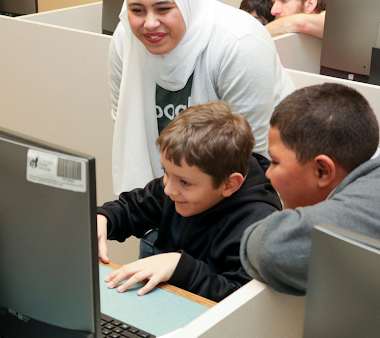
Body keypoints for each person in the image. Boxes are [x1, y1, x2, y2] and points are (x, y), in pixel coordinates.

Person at [109, 0, 294, 195]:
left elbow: (251, 160)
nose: (149, 23)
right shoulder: (126, 39)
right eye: (137, 10)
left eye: (164, 9)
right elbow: (124, 121)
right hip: (166, 194)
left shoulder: (240, 45)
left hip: (238, 196)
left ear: (189, 2)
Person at [97, 101, 282, 302]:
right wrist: (105, 217)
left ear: (229, 185)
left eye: (184, 182)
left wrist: (181, 267)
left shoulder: (258, 226)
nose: (168, 189)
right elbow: (134, 208)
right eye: (165, 173)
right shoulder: (178, 186)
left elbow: (239, 301)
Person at [240, 83, 380, 295]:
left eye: (276, 162)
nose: (268, 174)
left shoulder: (367, 205)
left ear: (322, 171)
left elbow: (268, 249)